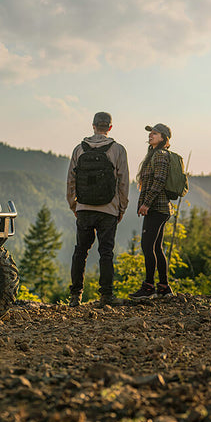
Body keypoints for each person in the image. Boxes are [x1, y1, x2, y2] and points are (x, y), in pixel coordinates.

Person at [66, 111, 129, 305]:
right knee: (106, 252)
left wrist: (74, 204)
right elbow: (124, 182)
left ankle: (75, 295)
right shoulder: (118, 149)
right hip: (108, 209)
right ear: (110, 127)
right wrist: (121, 208)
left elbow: (71, 180)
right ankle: (106, 295)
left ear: (93, 125)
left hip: (84, 207)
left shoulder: (79, 149)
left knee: (80, 251)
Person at [130, 123, 174, 300]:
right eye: (150, 133)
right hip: (158, 208)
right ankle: (163, 287)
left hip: (157, 208)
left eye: (155, 134)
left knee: (147, 246)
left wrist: (146, 204)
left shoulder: (161, 156)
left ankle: (149, 287)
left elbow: (159, 181)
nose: (151, 136)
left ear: (163, 138)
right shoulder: (154, 155)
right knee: (156, 247)